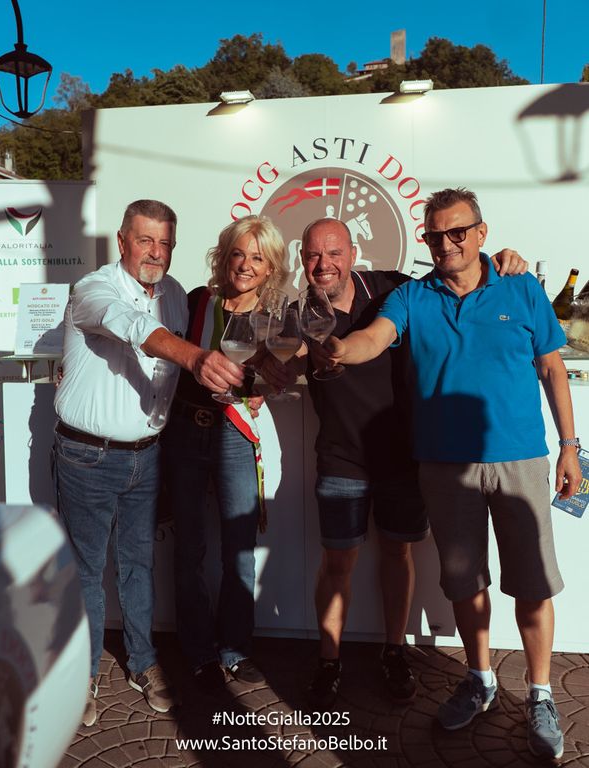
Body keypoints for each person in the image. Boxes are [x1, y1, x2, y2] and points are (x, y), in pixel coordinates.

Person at [326, 188, 581, 760]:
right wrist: (341, 349)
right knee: (466, 583)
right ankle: (480, 678)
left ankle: (540, 694)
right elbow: (375, 337)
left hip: (520, 460)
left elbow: (552, 368)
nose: (445, 244)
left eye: (457, 232)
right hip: (443, 465)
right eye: (434, 235)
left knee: (533, 584)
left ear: (481, 233)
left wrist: (571, 448)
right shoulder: (413, 296)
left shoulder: (521, 287)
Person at [261, 216, 527, 709]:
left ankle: (394, 651)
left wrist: (502, 260)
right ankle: (329, 660)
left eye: (334, 253)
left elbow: (457, 275)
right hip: (340, 457)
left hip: (403, 456)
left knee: (397, 554)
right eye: (314, 255)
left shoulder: (392, 289)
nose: (324, 264)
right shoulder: (296, 313)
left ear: (353, 254)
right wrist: (274, 369)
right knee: (337, 561)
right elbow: (284, 361)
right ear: (302, 259)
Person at [53, 199, 244, 727]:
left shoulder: (178, 295)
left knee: (139, 564)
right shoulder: (94, 289)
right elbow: (132, 325)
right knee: (86, 569)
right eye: (145, 241)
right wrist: (194, 356)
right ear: (122, 242)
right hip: (87, 455)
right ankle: (83, 673)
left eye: (165, 243)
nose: (155, 253)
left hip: (148, 455)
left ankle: (143, 661)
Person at [161, 215, 288, 692]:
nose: (246, 265)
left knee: (238, 548)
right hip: (185, 431)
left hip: (235, 435)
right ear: (224, 257)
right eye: (239, 253)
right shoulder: (198, 301)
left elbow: (279, 374)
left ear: (270, 266)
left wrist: (267, 388)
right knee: (189, 548)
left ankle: (235, 648)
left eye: (258, 257)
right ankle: (197, 650)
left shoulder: (275, 318)